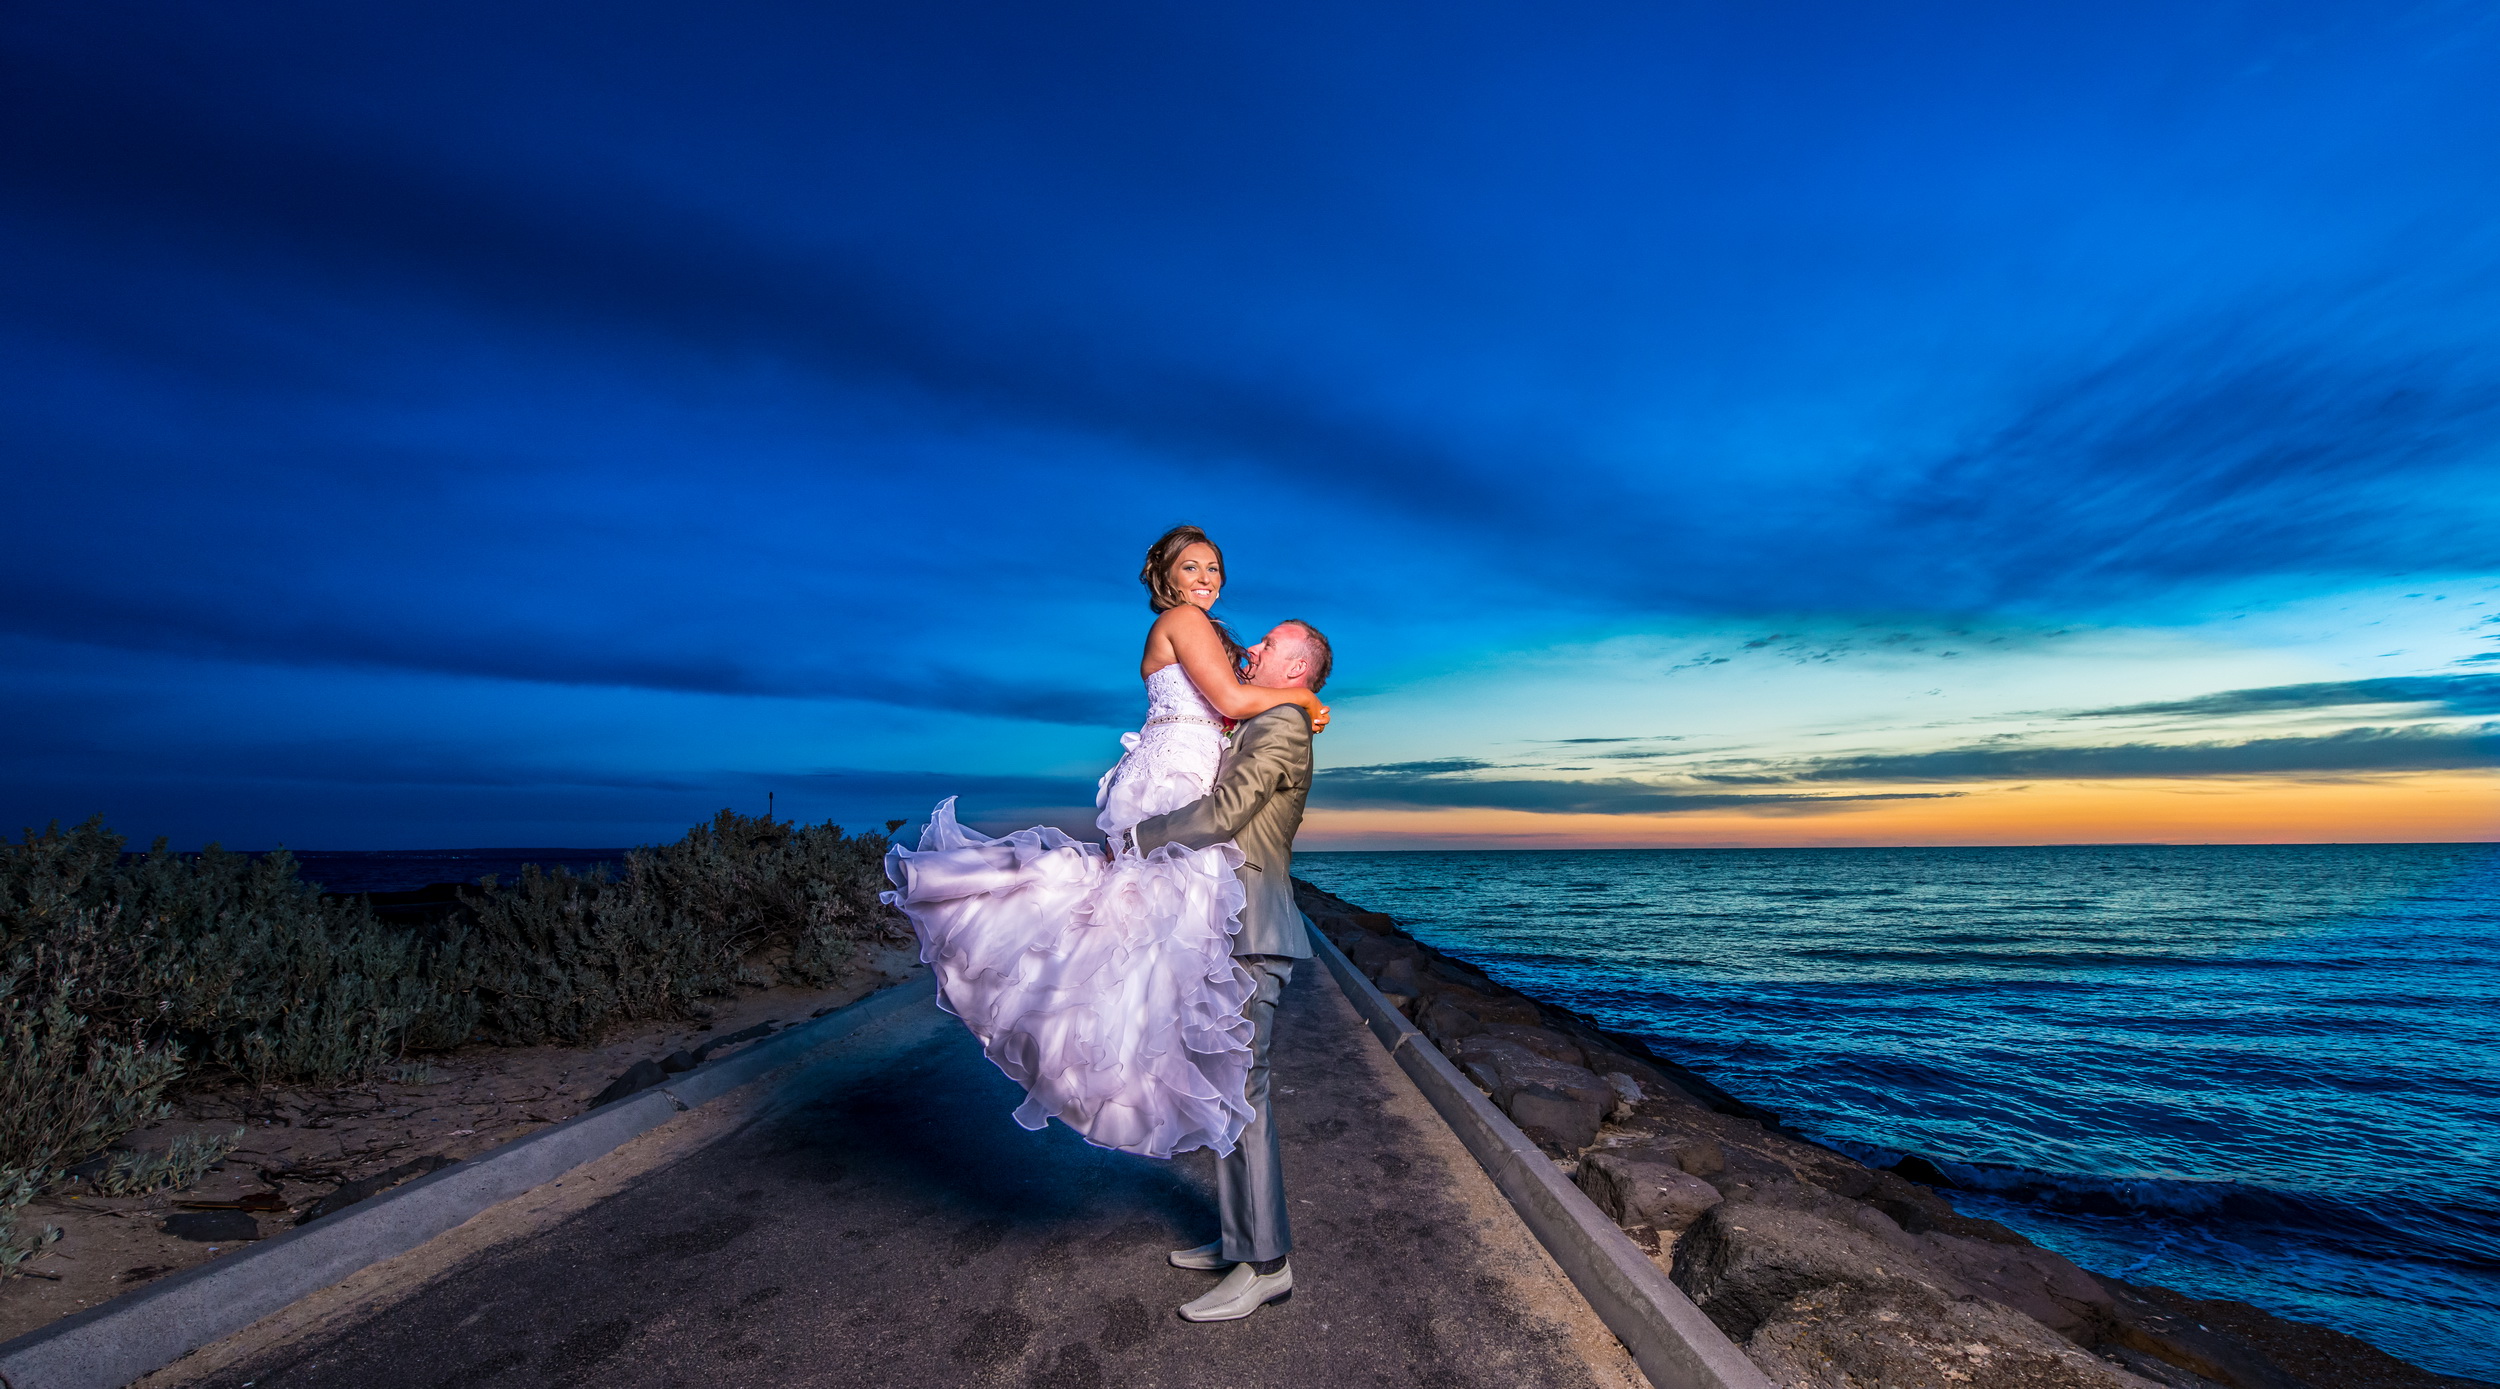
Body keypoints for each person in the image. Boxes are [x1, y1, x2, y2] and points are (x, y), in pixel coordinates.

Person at [879, 526, 1330, 1169]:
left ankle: (1127, 1059)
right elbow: (1230, 700)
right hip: (1174, 775)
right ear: (1168, 579)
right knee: (1140, 919)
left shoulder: (1208, 636)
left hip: (1184, 771)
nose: (1205, 577)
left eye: (1214, 567)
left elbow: (1232, 717)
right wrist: (1303, 694)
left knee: (1141, 935)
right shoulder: (1184, 620)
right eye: (1191, 566)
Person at [1122, 614, 1329, 1323]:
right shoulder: (1264, 719)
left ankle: (1266, 1264)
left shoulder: (1282, 726)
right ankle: (1240, 1240)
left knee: (1246, 1095)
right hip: (1233, 926)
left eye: (1270, 645)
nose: (1254, 648)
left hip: (1256, 931)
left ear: (1296, 670)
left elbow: (1228, 810)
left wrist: (1139, 837)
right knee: (1227, 1092)